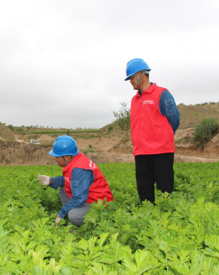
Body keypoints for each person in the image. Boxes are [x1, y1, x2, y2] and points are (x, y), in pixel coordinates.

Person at [125, 58, 180, 203]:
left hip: (161, 153)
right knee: (145, 194)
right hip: (141, 153)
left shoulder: (162, 94)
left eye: (131, 77)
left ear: (141, 74)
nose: (130, 81)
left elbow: (174, 120)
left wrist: (162, 138)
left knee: (165, 193)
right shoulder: (134, 100)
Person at [38, 136, 114, 227]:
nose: (55, 159)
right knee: (63, 189)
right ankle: (71, 212)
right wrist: (51, 180)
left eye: (57, 156)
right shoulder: (75, 160)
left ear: (66, 157)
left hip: (99, 204)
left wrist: (61, 214)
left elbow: (78, 199)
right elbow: (68, 179)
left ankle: (83, 225)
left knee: (74, 215)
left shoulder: (80, 169)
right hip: (88, 197)